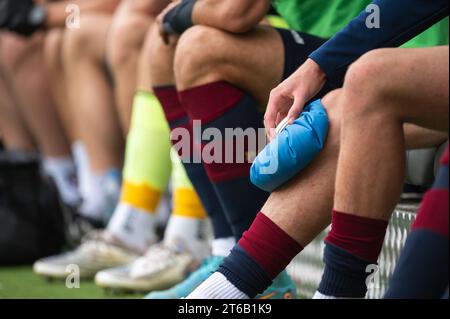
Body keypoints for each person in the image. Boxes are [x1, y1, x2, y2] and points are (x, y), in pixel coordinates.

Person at [186, 0, 449, 299]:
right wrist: (318, 65)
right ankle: (224, 283)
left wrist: (181, 13)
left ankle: (225, 277)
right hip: (372, 49)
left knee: (362, 86)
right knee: (344, 104)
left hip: (390, 49)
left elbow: (234, 11)